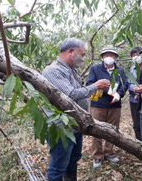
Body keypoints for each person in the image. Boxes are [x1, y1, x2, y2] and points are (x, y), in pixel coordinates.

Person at [42, 37, 110, 181]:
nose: (83, 59)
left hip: (74, 125)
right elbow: (70, 94)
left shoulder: (72, 70)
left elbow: (78, 91)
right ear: (71, 52)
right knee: (59, 165)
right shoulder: (53, 71)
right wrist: (95, 86)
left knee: (73, 160)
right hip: (61, 127)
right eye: (83, 54)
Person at [86, 45, 128, 168]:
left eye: (111, 55)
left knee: (113, 129)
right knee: (96, 130)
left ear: (115, 56)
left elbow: (124, 84)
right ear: (102, 57)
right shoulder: (95, 69)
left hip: (115, 105)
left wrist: (119, 94)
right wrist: (107, 91)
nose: (109, 57)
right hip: (98, 104)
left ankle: (109, 153)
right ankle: (97, 156)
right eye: (106, 55)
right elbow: (90, 84)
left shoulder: (120, 70)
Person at [128, 46, 142, 140]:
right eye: (134, 55)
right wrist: (136, 90)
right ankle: (139, 145)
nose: (136, 57)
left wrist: (140, 91)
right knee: (137, 124)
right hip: (134, 99)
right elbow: (130, 83)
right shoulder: (132, 69)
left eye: (138, 54)